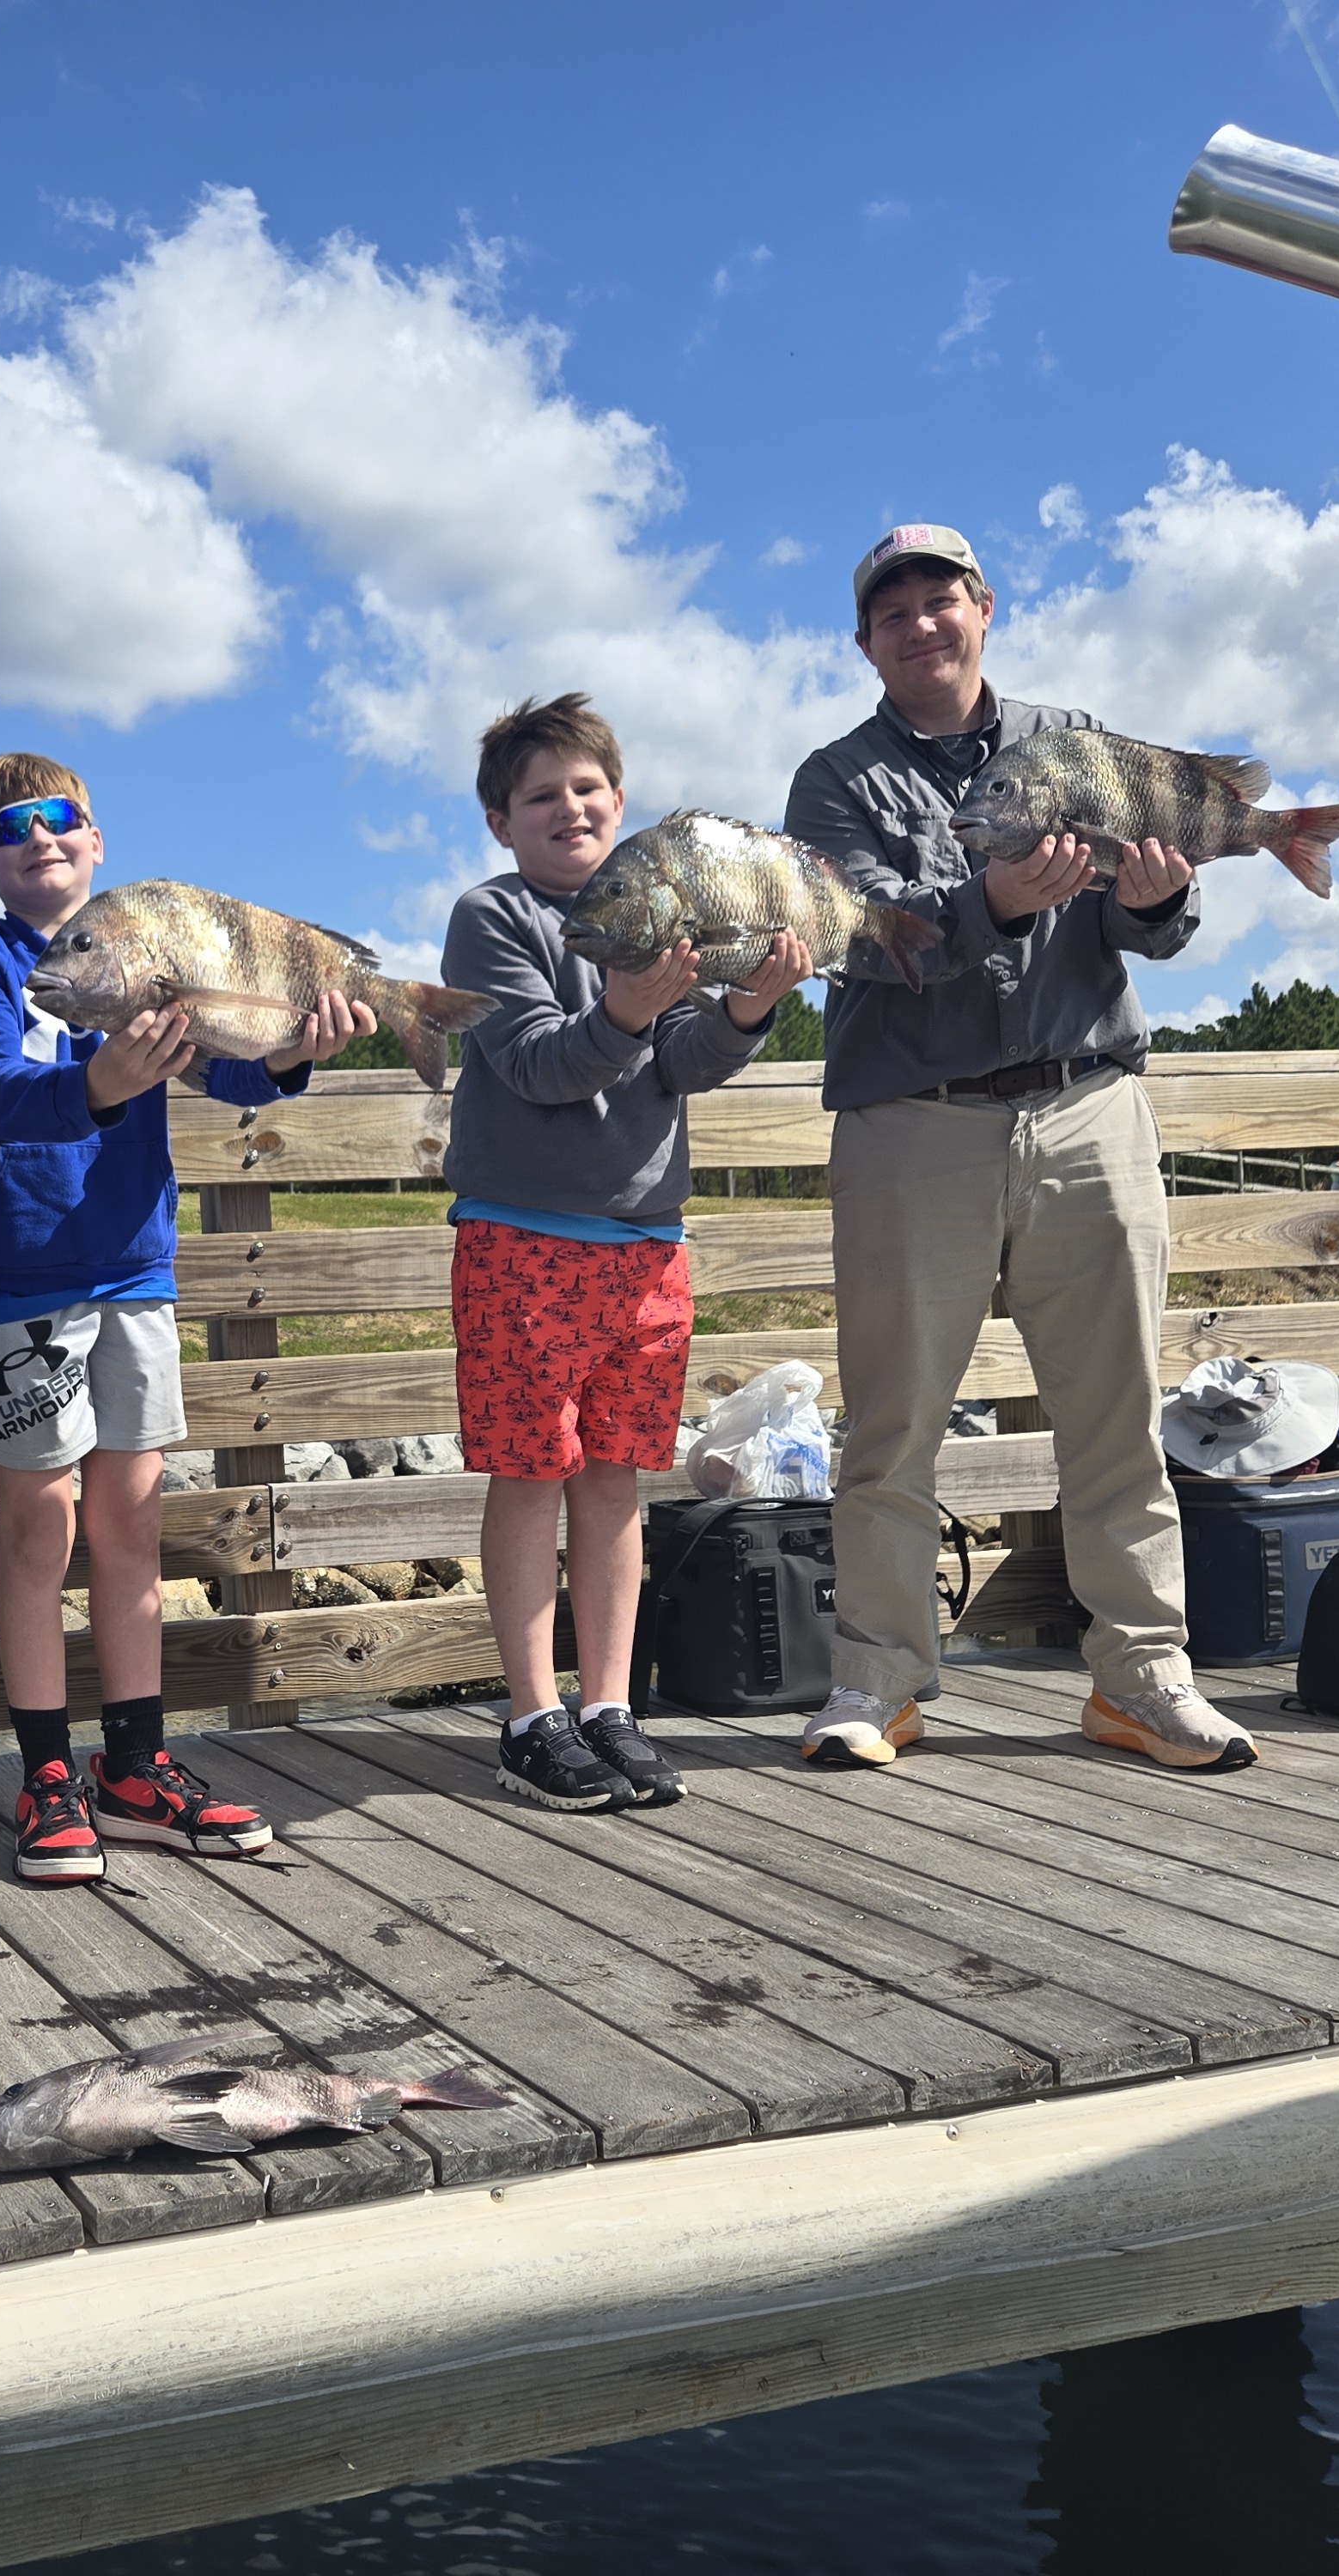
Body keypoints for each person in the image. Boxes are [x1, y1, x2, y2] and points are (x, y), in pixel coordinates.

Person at [781, 523, 1250, 1774]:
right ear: (865, 641)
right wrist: (987, 906)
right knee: (892, 1424)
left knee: (1120, 1414)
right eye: (893, 612)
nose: (921, 624)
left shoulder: (1076, 740)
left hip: (1090, 1105)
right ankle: (876, 1684)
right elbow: (856, 942)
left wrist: (1156, 896)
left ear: (986, 608)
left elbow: (1158, 925)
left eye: (942, 600)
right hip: (911, 1126)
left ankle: (1145, 1677)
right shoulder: (832, 784)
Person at [0, 755, 373, 1882]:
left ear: (96, 837)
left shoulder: (151, 953)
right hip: (22, 1287)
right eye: (7, 826)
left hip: (136, 1278)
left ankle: (135, 1767)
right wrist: (101, 1084)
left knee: (132, 1525)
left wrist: (291, 1047)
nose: (39, 836)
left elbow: (234, 1078)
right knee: (39, 1533)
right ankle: (44, 1775)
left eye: (60, 817)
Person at [442, 695, 812, 1813]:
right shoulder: (491, 919)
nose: (570, 809)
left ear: (620, 800)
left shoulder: (665, 911)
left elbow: (684, 1062)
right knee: (530, 1473)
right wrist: (627, 1008)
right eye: (542, 796)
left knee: (615, 1481)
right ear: (502, 822)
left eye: (588, 789)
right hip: (521, 1242)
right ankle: (529, 1717)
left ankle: (607, 1707)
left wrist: (747, 1008)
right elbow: (545, 1065)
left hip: (648, 1246)